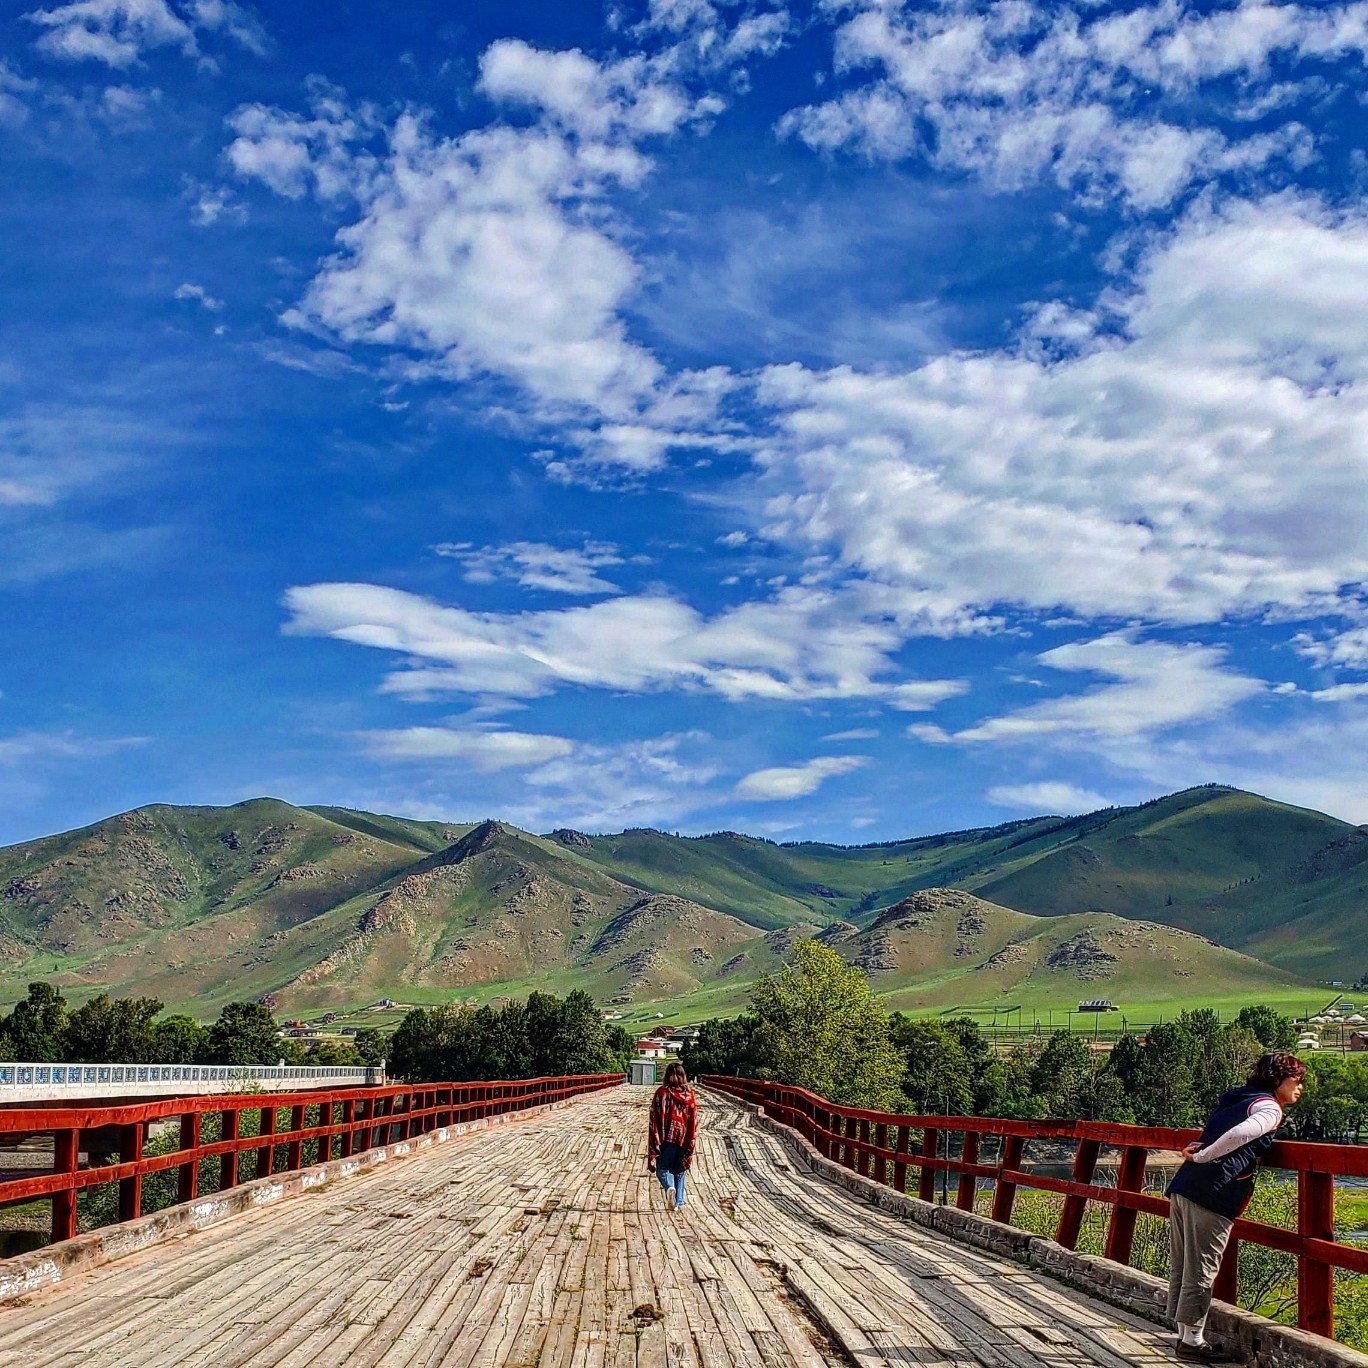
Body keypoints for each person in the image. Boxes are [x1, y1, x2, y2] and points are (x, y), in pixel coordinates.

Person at [1164, 1051, 1307, 1362]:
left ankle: (1183, 1334)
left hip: (1185, 1186)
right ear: (1278, 1080)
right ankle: (1192, 1342)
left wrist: (1201, 1151)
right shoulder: (1269, 1107)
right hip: (1214, 1193)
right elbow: (1241, 1134)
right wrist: (1204, 1155)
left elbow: (1221, 1133)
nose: (1300, 1087)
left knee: (1184, 1263)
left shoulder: (1238, 1099)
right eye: (1296, 1080)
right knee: (1202, 1267)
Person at [647, 1061, 697, 1210]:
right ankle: (678, 1202)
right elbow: (694, 1119)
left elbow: (654, 1116)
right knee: (680, 1170)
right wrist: (690, 1139)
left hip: (666, 1137)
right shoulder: (689, 1095)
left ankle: (669, 1187)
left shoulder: (662, 1093)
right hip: (684, 1137)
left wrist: (655, 1139)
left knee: (662, 1169)